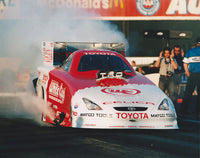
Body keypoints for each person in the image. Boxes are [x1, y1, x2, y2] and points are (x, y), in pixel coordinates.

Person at [180, 39, 200, 119]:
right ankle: (198, 112)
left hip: (192, 75)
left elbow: (185, 63)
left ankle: (183, 110)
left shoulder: (190, 51)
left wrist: (187, 72)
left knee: (188, 92)